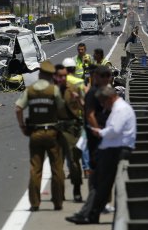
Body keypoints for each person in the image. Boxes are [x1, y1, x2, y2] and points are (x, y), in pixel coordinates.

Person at [66, 86, 136, 224]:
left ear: (110, 98)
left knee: (100, 185)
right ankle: (90, 214)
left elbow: (115, 129)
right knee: (100, 185)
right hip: (112, 149)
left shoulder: (120, 109)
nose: (103, 106)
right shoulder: (116, 108)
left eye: (104, 103)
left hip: (116, 150)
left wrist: (99, 132)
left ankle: (88, 214)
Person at [15, 60, 64, 211]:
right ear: (50, 75)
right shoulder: (54, 90)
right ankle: (57, 202)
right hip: (52, 133)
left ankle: (35, 203)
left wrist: (22, 126)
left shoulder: (30, 90)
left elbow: (18, 108)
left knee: (35, 169)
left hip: (35, 133)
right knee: (57, 168)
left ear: (40, 73)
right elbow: (61, 109)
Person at [54, 64, 84, 203]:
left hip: (71, 131)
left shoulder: (73, 89)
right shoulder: (51, 91)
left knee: (73, 162)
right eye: (60, 76)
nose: (63, 79)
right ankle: (59, 193)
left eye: (65, 76)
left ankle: (77, 190)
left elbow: (84, 109)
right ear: (55, 77)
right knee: (57, 164)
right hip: (55, 131)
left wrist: (78, 98)